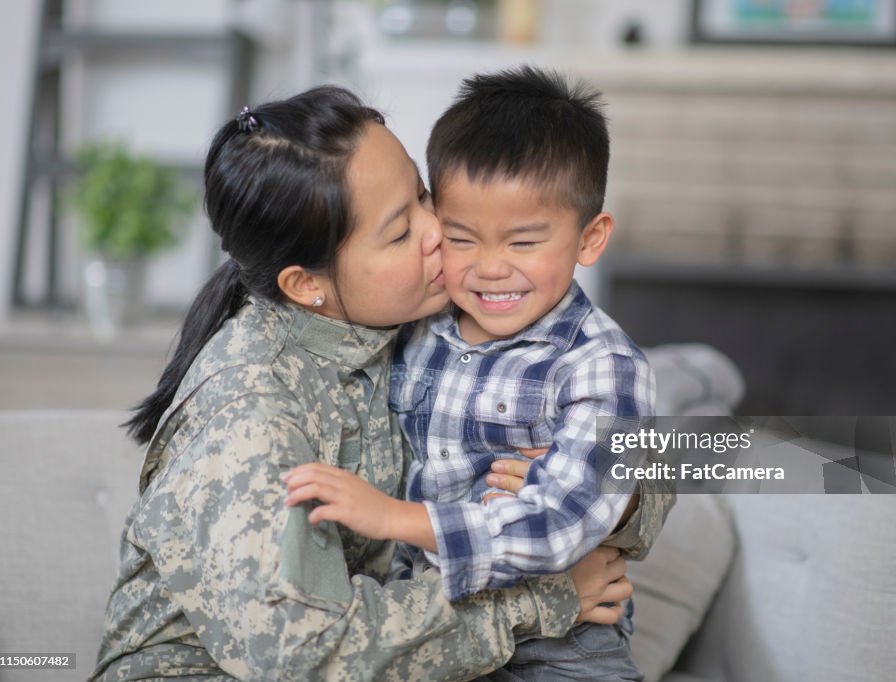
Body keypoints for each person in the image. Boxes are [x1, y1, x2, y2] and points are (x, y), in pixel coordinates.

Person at [90, 85, 643, 681]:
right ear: (307, 286)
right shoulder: (251, 411)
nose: (444, 232)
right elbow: (304, 655)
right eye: (402, 232)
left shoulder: (417, 313)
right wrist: (544, 598)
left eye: (423, 195)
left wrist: (612, 495)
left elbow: (622, 411)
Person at [282, 67, 672, 681]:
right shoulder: (414, 325)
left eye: (522, 243)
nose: (490, 269)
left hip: (560, 643)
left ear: (590, 238)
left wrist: (393, 517)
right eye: (462, 238)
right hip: (431, 631)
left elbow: (563, 520)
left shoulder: (603, 365)